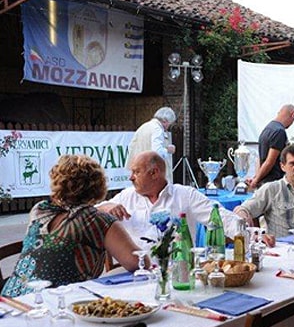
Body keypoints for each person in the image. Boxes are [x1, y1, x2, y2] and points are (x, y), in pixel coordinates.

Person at [2, 155, 140, 297]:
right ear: (98, 185)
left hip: (10, 299)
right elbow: (139, 263)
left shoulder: (40, 210)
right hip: (59, 301)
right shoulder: (99, 221)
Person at [97, 151, 241, 246]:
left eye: (136, 172)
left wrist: (246, 234)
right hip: (133, 273)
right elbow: (93, 212)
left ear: (154, 173)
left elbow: (221, 217)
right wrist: (107, 207)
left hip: (177, 272)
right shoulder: (127, 196)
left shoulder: (185, 195)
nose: (131, 178)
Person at [247, 104, 294, 189]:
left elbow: (260, 158)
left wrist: (257, 177)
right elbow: (270, 161)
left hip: (263, 182)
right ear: (293, 115)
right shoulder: (280, 132)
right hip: (274, 184)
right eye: (293, 120)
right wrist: (256, 180)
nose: (292, 123)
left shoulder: (267, 129)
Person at [127, 107, 177, 184]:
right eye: (169, 124)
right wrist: (168, 150)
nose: (168, 127)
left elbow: (131, 147)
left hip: (138, 171)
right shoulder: (157, 129)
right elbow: (157, 152)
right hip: (151, 173)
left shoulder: (143, 127)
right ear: (165, 121)